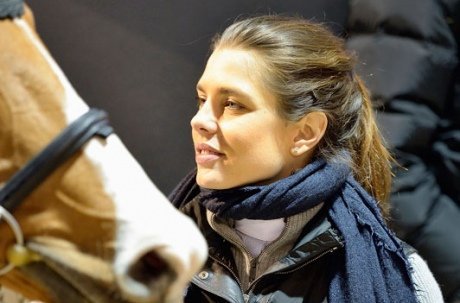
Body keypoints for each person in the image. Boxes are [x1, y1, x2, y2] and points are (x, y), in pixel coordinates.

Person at [169, 15, 444, 302]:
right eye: (202, 100)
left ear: (305, 133)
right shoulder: (155, 244)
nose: (199, 121)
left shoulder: (403, 278)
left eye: (232, 104)